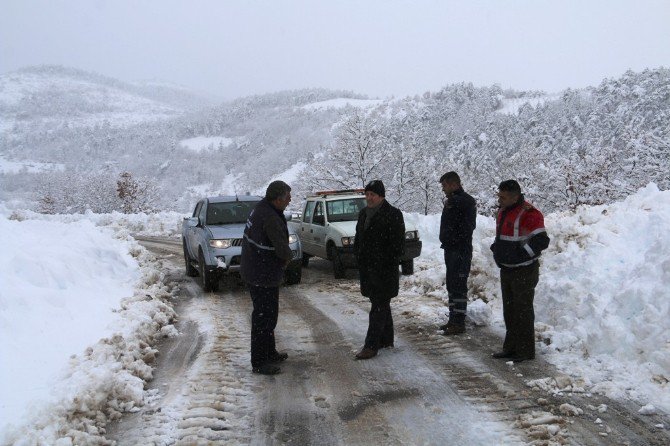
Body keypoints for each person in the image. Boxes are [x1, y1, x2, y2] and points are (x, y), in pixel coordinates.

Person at [490, 180, 550, 363]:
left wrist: (519, 256)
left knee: (522, 310)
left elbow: (541, 242)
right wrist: (497, 250)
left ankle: (525, 351)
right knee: (510, 310)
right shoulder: (503, 211)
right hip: (507, 270)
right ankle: (511, 347)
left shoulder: (530, 213)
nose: (499, 199)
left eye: (503, 196)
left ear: (515, 196)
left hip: (524, 271)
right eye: (499, 195)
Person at [240, 180, 293, 375]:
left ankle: (269, 352)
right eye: (287, 196)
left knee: (268, 316)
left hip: (257, 270)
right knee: (264, 318)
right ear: (277, 199)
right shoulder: (269, 216)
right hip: (262, 273)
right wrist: (288, 258)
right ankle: (260, 362)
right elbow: (281, 247)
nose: (290, 200)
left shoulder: (262, 208)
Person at [353, 180, 406, 360]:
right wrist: (358, 255)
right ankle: (386, 338)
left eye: (372, 195)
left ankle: (371, 345)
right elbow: (359, 238)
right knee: (380, 303)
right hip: (368, 269)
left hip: (384, 270)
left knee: (378, 306)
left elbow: (398, 245)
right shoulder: (363, 214)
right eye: (367, 194)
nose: (369, 198)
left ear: (381, 196)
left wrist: (382, 260)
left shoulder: (393, 214)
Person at [437, 172, 477, 335]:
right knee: (452, 284)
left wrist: (453, 239)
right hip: (451, 250)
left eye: (444, 186)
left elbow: (468, 228)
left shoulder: (466, 201)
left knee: (459, 286)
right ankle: (453, 318)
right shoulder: (453, 201)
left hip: (460, 251)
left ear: (454, 184)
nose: (443, 189)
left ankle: (459, 322)